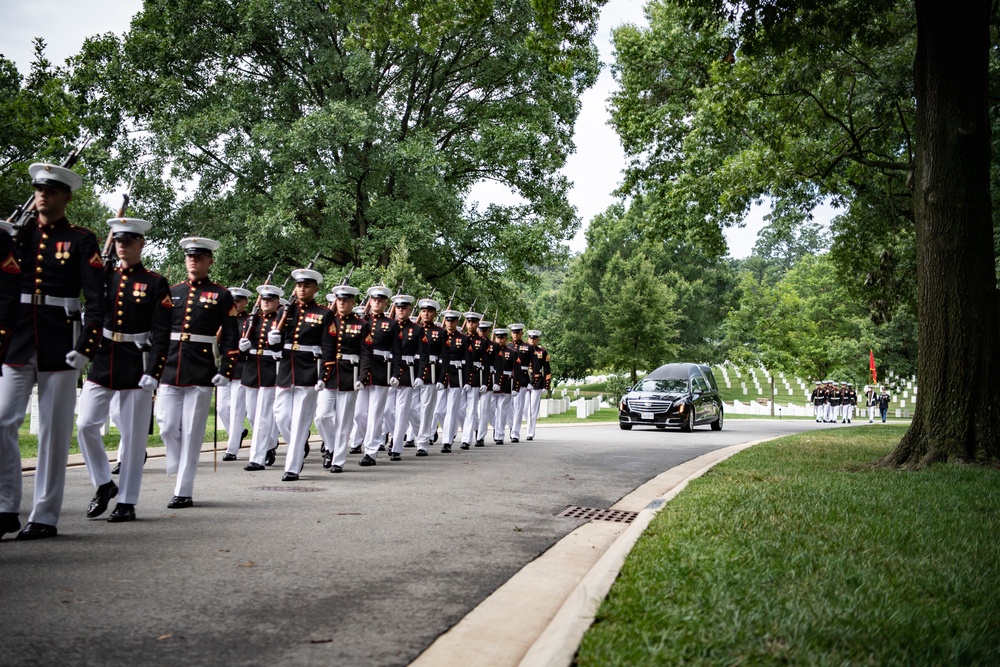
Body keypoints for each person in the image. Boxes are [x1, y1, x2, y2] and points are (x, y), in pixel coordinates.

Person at [0, 163, 103, 540]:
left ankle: (44, 515)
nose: (43, 194)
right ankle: (7, 506)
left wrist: (86, 344)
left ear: (66, 197)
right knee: (3, 420)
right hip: (18, 337)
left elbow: (95, 298)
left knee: (53, 431)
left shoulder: (81, 239)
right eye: (39, 189)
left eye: (52, 190)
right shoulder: (17, 233)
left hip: (60, 337)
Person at [76, 217, 172, 523]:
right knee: (86, 425)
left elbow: (161, 332)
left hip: (135, 360)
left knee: (132, 438)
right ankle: (104, 483)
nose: (122, 246)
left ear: (141, 244)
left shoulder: (155, 282)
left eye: (129, 241)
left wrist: (154, 371)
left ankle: (128, 501)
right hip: (104, 358)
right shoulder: (104, 275)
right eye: (119, 241)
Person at [156, 237, 238, 508]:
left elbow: (230, 336)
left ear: (209, 261)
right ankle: (179, 465)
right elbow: (160, 331)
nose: (194, 260)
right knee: (167, 426)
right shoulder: (173, 291)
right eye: (190, 256)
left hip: (201, 369)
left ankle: (183, 489)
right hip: (171, 365)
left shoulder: (221, 294)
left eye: (200, 257)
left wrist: (226, 368)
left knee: (192, 431)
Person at [273, 268, 332, 482]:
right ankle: (299, 447)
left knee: (299, 421)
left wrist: (323, 375)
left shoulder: (325, 314)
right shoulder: (284, 311)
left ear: (315, 289)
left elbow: (328, 348)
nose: (302, 289)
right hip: (286, 370)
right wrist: (275, 341)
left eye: (306, 285)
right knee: (281, 417)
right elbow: (278, 348)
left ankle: (292, 466)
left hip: (309, 370)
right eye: (299, 285)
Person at [316, 284, 367, 473]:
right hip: (329, 374)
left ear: (353, 302)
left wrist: (362, 376)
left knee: (344, 421)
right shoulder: (329, 322)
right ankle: (331, 446)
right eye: (339, 300)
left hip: (349, 375)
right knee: (321, 416)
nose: (342, 303)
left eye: (346, 300)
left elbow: (365, 354)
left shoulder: (362, 325)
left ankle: (338, 460)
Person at [241, 283, 284, 471]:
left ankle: (257, 457)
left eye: (270, 300)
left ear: (277, 302)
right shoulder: (252, 320)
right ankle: (270, 443)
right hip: (251, 369)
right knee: (252, 414)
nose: (266, 303)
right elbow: (244, 342)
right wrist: (242, 347)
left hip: (270, 370)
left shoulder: (282, 319)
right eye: (264, 300)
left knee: (263, 416)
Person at [357, 285, 399, 467]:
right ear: (369, 302)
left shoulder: (391, 324)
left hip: (381, 371)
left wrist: (397, 373)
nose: (377, 303)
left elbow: (397, 352)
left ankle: (371, 451)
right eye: (374, 300)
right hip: (362, 371)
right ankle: (370, 437)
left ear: (385, 304)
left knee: (375, 413)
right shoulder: (361, 321)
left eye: (380, 301)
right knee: (359, 414)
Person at [388, 294, 423, 461]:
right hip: (388, 371)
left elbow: (422, 355)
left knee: (402, 411)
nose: (401, 310)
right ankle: (411, 432)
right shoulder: (389, 326)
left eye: (404, 308)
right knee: (387, 411)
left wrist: (419, 375)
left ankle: (396, 446)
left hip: (408, 372)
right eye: (398, 307)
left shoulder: (416, 329)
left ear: (409, 310)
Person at [415, 297, 445, 456]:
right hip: (413, 372)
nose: (426, 314)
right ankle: (419, 432)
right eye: (423, 311)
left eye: (429, 311)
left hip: (431, 373)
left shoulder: (440, 332)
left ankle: (422, 442)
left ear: (434, 314)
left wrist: (441, 378)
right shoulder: (415, 329)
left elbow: (444, 357)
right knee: (413, 409)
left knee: (427, 409)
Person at [440, 309, 472, 452]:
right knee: (439, 411)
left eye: (452, 321)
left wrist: (467, 380)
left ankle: (447, 441)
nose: (450, 323)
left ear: (457, 322)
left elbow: (468, 361)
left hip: (456, 375)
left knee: (452, 410)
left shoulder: (464, 339)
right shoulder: (440, 336)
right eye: (447, 320)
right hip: (441, 375)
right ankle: (451, 432)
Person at [460, 311, 488, 450]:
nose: (471, 324)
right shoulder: (461, 338)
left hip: (475, 377)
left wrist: (484, 382)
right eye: (469, 322)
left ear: (477, 324)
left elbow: (487, 364)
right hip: (460, 376)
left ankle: (466, 439)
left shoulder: (483, 342)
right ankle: (473, 428)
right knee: (459, 410)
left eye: (473, 322)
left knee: (471, 410)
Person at [508, 324, 534, 442]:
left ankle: (515, 433)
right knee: (507, 407)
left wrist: (532, 380)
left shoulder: (528, 347)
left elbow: (535, 366)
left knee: (518, 407)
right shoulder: (507, 346)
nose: (515, 334)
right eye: (513, 332)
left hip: (522, 379)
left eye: (518, 332)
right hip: (508, 378)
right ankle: (511, 426)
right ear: (510, 333)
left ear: (522, 333)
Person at [525, 330, 551, 441]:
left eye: (535, 338)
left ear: (538, 340)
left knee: (533, 409)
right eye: (531, 338)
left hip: (538, 381)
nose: (532, 340)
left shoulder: (542, 352)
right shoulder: (524, 349)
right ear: (528, 338)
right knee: (525, 408)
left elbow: (547, 370)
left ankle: (530, 432)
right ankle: (528, 426)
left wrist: (546, 386)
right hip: (525, 379)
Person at [492, 328, 515, 444]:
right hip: (491, 381)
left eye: (502, 337)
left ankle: (499, 435)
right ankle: (496, 427)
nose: (500, 339)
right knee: (489, 410)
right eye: (498, 337)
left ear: (506, 338)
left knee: (501, 411)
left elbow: (516, 371)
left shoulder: (511, 352)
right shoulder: (490, 350)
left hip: (505, 382)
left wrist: (515, 387)